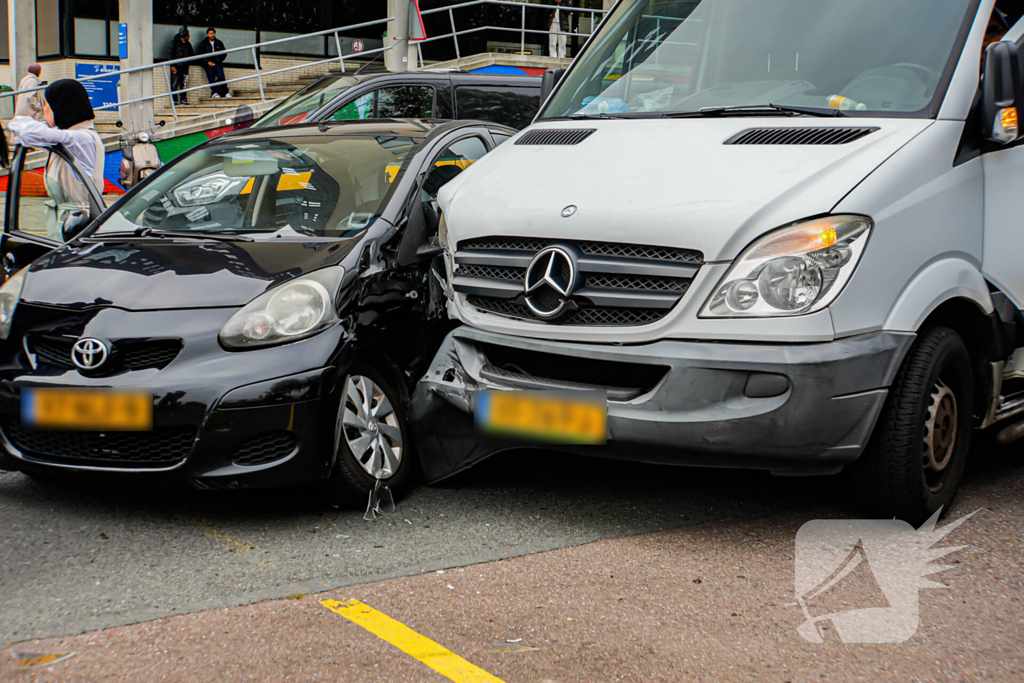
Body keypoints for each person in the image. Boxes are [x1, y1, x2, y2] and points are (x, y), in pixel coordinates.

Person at [9, 79, 104, 242]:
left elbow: (25, 129)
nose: (44, 110)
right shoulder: (69, 137)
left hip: (79, 223)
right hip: (67, 220)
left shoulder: (81, 139)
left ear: (61, 106)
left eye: (47, 104)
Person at [196, 28, 231, 99]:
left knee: (221, 77)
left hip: (217, 63)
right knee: (211, 78)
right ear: (207, 34)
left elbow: (224, 53)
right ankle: (214, 92)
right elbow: (200, 54)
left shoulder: (219, 43)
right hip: (208, 64)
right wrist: (207, 62)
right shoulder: (204, 43)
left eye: (213, 33)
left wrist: (219, 60)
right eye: (210, 33)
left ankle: (225, 92)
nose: (212, 35)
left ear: (215, 33)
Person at [168, 26, 195, 105]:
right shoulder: (174, 42)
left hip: (185, 67)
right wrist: (172, 65)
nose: (189, 36)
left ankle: (183, 99)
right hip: (176, 66)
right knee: (174, 84)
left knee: (184, 84)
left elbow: (191, 54)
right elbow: (170, 54)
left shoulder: (188, 44)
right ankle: (174, 100)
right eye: (188, 34)